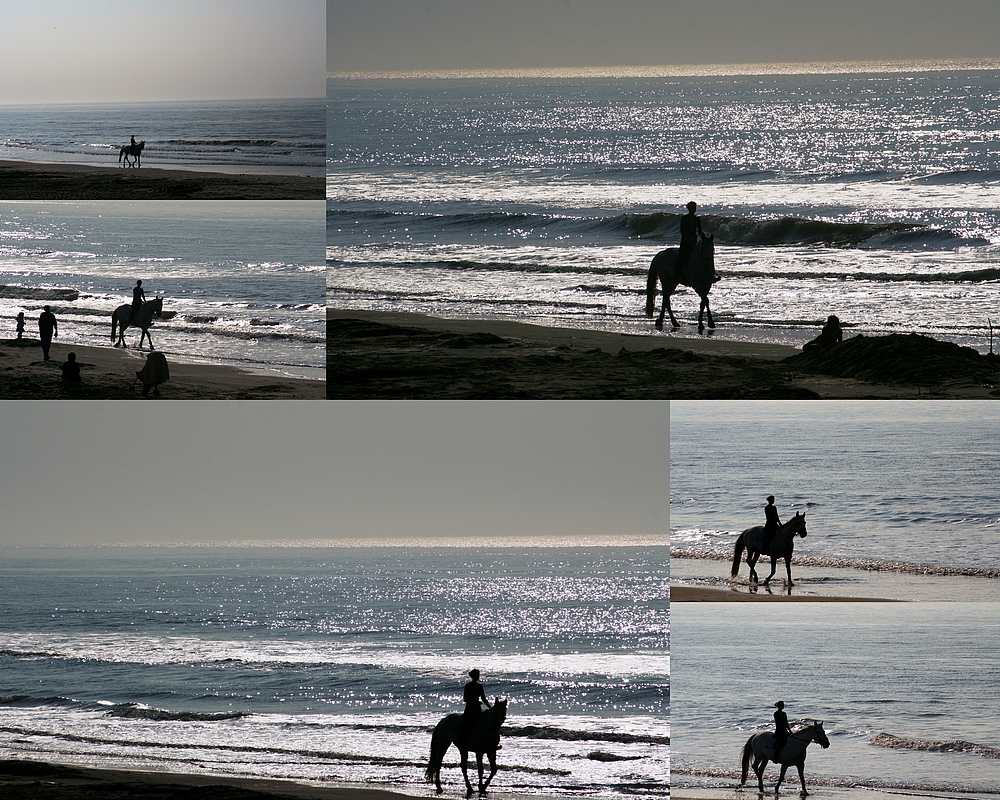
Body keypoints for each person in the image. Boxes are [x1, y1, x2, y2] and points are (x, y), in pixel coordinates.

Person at [462, 669, 497, 746]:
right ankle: (464, 740)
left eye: (478, 675)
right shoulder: (468, 686)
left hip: (477, 708)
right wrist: (474, 703)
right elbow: (466, 699)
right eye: (476, 675)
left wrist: (490, 707)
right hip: (470, 708)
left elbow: (483, 698)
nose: (478, 677)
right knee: (467, 723)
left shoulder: (480, 686)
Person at [676, 201, 704, 273]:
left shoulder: (697, 219)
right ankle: (676, 273)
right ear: (689, 209)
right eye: (692, 208)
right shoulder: (684, 219)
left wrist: (704, 237)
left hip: (694, 240)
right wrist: (689, 237)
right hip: (685, 240)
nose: (694, 209)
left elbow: (700, 231)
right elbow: (682, 231)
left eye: (694, 208)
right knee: (682, 256)